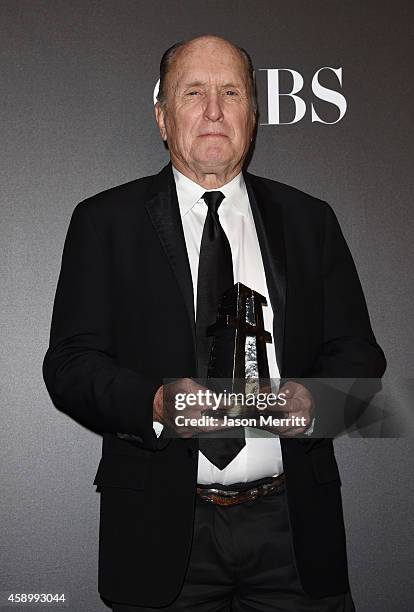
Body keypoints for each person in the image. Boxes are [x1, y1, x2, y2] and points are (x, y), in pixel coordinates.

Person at [43, 35, 386, 611]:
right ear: (162, 116)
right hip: (161, 532)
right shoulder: (103, 222)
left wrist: (318, 399)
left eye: (231, 92)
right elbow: (70, 365)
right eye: (193, 92)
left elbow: (359, 352)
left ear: (254, 114)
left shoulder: (310, 221)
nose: (213, 110)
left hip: (294, 532)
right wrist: (153, 401)